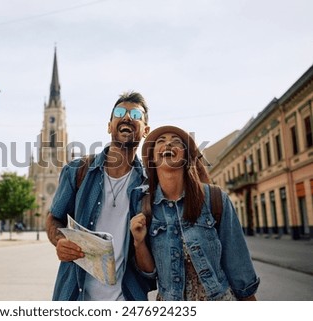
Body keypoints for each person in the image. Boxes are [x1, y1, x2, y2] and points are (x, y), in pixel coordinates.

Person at [45, 91, 155, 300]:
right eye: (120, 112)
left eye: (136, 115)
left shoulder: (149, 184)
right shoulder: (77, 171)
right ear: (109, 125)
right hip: (75, 297)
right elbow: (54, 217)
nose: (127, 117)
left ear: (146, 131)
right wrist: (60, 240)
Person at [130, 125, 260, 301]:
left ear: (186, 157)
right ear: (152, 158)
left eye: (176, 142)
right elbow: (149, 273)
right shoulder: (144, 207)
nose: (168, 145)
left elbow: (238, 265)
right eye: (161, 141)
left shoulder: (215, 199)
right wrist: (139, 242)